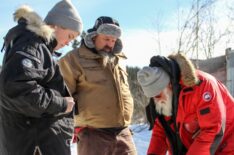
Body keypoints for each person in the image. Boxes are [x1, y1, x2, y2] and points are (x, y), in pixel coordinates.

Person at [0, 0, 83, 155]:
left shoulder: (36, 46)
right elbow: (17, 89)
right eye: (69, 36)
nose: (68, 43)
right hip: (36, 146)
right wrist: (61, 104)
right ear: (55, 26)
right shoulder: (32, 44)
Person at [59, 16, 137, 155]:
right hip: (92, 134)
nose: (110, 44)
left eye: (113, 40)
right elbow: (62, 96)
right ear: (94, 37)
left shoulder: (119, 60)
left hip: (123, 132)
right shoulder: (73, 59)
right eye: (106, 39)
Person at [137, 53, 234, 155]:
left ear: (169, 85)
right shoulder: (165, 99)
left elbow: (212, 130)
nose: (156, 101)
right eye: (152, 97)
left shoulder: (202, 86)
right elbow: (161, 131)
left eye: (157, 95)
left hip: (227, 144)